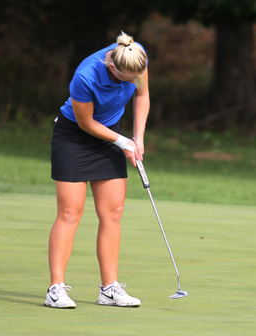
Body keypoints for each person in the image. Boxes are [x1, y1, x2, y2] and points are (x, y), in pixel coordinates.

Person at [44, 31, 150, 309]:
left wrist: (137, 138)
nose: (132, 82)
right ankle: (55, 289)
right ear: (112, 67)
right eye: (126, 78)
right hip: (74, 137)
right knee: (70, 212)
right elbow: (86, 123)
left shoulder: (135, 57)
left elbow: (142, 95)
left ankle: (109, 288)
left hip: (110, 136)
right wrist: (122, 141)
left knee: (113, 211)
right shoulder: (86, 75)